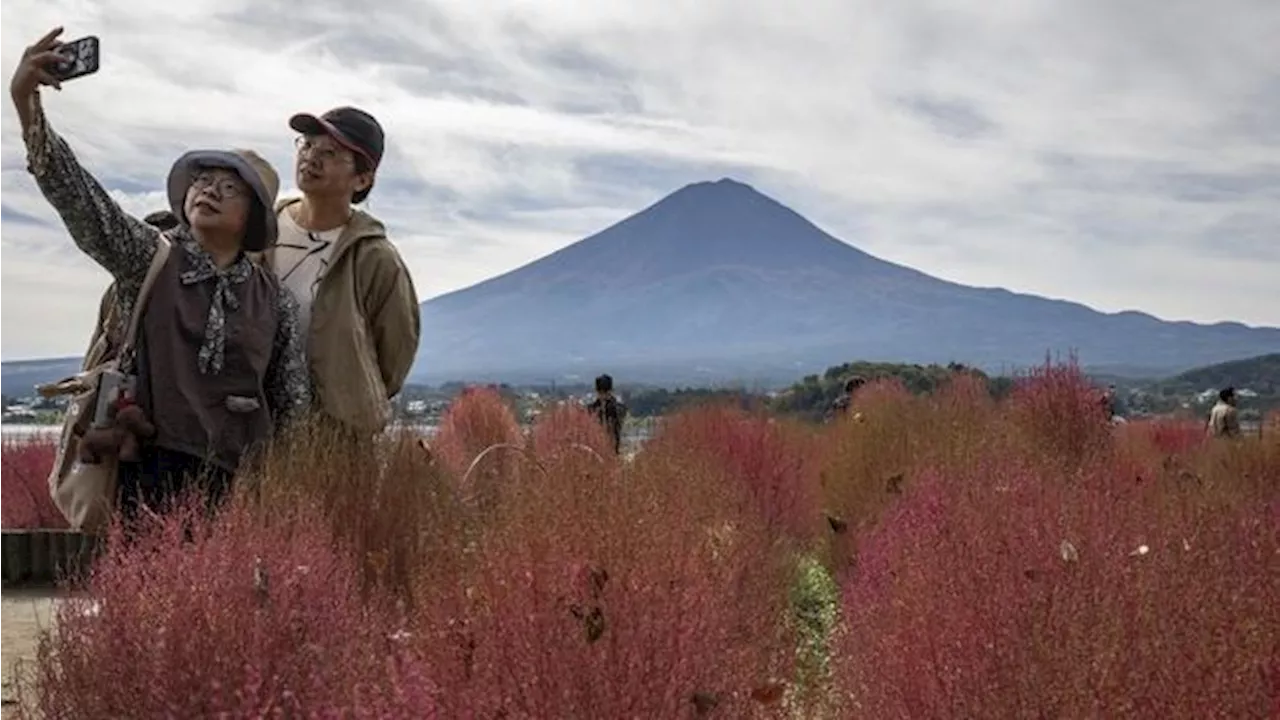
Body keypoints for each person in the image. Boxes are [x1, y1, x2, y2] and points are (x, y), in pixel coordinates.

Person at [13, 27, 311, 519]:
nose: (209, 190)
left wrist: (285, 496)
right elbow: (85, 204)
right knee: (146, 594)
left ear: (256, 216)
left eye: (228, 188)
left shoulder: (272, 300)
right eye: (202, 181)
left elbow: (291, 406)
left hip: (237, 483)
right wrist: (28, 107)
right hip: (141, 465)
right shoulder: (150, 257)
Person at [259, 106, 420, 438]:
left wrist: (346, 400)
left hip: (330, 436)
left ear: (362, 179)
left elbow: (394, 357)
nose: (312, 158)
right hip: (251, 424)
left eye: (330, 152)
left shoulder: (375, 258)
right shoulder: (259, 231)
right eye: (306, 145)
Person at [586, 374, 627, 454]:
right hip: (596, 449)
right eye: (600, 393)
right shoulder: (592, 408)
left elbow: (619, 420)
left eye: (605, 392)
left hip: (613, 447)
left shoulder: (617, 407)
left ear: (610, 392)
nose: (603, 396)